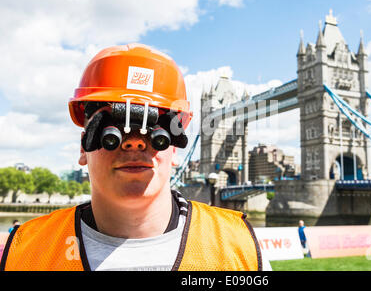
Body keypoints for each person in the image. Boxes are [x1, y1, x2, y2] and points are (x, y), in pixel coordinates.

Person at [1, 43, 270, 271]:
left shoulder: (241, 249)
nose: (134, 143)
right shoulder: (24, 252)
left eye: (156, 134)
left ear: (174, 149)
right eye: (112, 131)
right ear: (83, 147)